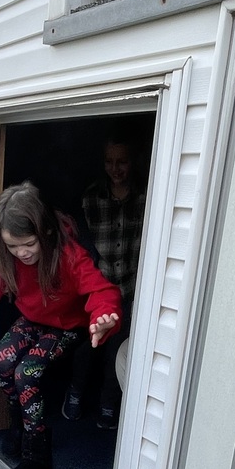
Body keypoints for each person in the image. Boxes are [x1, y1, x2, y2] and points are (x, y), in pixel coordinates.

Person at [0, 181, 121, 469]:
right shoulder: (4, 249)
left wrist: (103, 316)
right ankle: (21, 424)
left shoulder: (68, 254)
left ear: (45, 232)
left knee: (26, 375)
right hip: (33, 318)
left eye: (27, 243)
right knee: (2, 364)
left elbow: (101, 290)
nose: (21, 252)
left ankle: (38, 450)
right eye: (13, 246)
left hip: (68, 325)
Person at [63, 135, 146, 429]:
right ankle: (74, 393)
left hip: (133, 287)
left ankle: (109, 404)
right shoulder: (91, 198)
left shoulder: (146, 196)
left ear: (132, 161)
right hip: (99, 286)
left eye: (122, 161)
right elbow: (82, 248)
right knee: (87, 345)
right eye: (109, 162)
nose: (115, 168)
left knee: (118, 350)